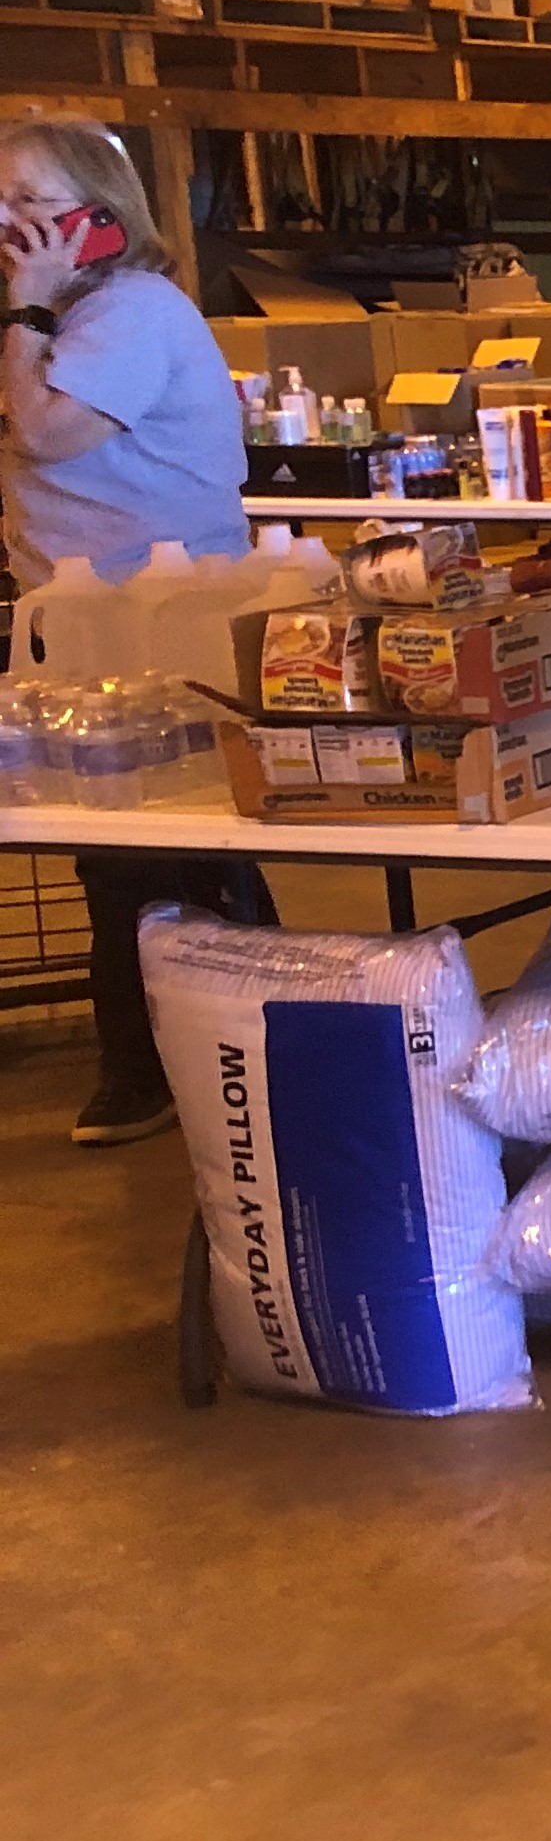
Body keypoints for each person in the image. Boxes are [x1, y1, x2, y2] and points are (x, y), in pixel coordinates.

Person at [0, 116, 262, 1145]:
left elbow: (53, 434)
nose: (11, 225)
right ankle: (189, 1050)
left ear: (95, 218)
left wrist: (25, 312)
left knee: (161, 848)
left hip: (165, 624)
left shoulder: (132, 311)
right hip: (84, 624)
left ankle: (175, 1061)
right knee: (119, 852)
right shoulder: (46, 319)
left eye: (31, 204)